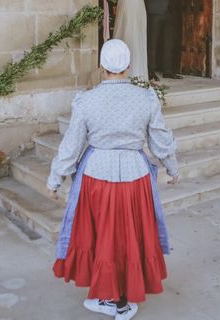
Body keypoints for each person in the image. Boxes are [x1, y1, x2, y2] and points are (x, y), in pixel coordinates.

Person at [47, 39, 179, 320]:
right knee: (129, 237)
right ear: (128, 67)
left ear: (101, 67)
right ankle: (122, 300)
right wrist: (172, 167)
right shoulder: (145, 98)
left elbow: (71, 145)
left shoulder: (86, 100)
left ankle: (110, 298)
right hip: (135, 176)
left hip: (97, 176)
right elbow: (160, 138)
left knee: (103, 237)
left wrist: (55, 178)